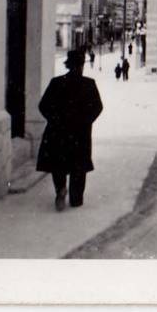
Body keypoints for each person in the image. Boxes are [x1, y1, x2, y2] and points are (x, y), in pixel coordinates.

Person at [36, 49, 103, 210]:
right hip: (80, 133)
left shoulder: (56, 82)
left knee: (58, 164)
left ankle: (60, 189)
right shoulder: (88, 83)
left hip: (57, 132)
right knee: (79, 166)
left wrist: (55, 120)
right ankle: (76, 198)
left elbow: (43, 105)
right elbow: (98, 107)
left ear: (68, 65)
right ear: (81, 65)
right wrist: (86, 121)